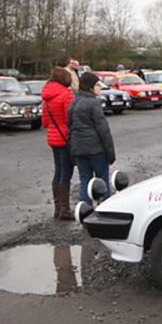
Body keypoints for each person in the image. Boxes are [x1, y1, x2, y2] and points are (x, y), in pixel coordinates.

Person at [68, 72, 117, 205]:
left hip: (79, 149)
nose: (99, 87)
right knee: (102, 179)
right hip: (96, 150)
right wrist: (110, 153)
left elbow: (70, 128)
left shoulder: (73, 102)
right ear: (90, 86)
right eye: (97, 85)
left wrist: (71, 150)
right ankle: (107, 208)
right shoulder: (93, 103)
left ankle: (85, 209)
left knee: (85, 180)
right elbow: (103, 130)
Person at [42, 67, 74, 220]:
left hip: (52, 137)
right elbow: (70, 119)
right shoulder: (65, 94)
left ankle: (58, 208)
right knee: (66, 173)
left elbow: (45, 121)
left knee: (58, 171)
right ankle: (65, 210)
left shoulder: (47, 95)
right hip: (64, 137)